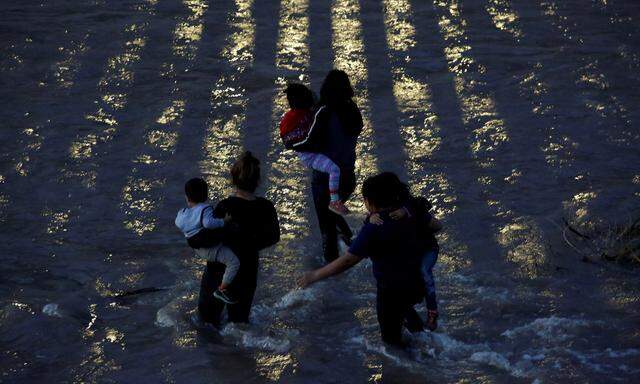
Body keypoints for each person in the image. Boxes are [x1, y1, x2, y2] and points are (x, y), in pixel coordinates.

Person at [298, 172, 425, 346]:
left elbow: (348, 261)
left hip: (390, 289)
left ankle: (412, 364)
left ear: (370, 202)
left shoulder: (374, 228)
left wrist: (314, 276)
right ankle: (425, 340)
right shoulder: (410, 212)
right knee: (406, 312)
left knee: (391, 341)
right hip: (416, 281)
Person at [198, 151, 280, 326]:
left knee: (206, 323)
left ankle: (207, 352)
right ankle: (237, 352)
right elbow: (273, 237)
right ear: (257, 181)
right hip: (248, 269)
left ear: (233, 179)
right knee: (239, 323)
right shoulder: (266, 207)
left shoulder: (224, 206)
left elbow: (210, 237)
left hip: (219, 270)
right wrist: (250, 244)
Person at [300, 70, 363, 263]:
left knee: (327, 230)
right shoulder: (353, 110)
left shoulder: (324, 112)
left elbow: (311, 142)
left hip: (324, 178)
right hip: (347, 176)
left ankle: (331, 274)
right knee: (332, 215)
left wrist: (292, 143)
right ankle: (353, 245)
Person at [369, 176, 442, 330]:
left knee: (424, 272)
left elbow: (436, 225)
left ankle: (432, 312)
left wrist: (408, 213)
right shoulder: (380, 215)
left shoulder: (413, 206)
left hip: (428, 250)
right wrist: (370, 218)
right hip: (409, 259)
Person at [279, 83, 349, 215]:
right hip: (310, 156)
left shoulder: (307, 111)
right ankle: (334, 202)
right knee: (334, 170)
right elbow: (291, 142)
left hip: (315, 151)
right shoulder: (291, 119)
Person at [175, 177, 239, 304]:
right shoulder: (205, 209)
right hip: (211, 249)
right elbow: (208, 223)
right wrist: (223, 221)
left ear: (187, 198)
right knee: (234, 262)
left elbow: (178, 223)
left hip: (198, 249)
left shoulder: (183, 213)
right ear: (206, 196)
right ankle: (222, 289)